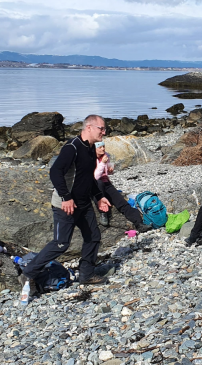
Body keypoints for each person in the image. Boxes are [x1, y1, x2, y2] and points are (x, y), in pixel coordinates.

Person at [22, 115, 112, 286]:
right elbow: (55, 172)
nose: (104, 132)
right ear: (89, 128)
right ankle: (28, 272)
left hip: (84, 204)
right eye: (101, 128)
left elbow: (88, 178)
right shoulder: (72, 148)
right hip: (66, 205)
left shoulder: (91, 149)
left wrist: (99, 197)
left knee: (93, 237)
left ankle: (86, 275)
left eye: (104, 128)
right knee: (61, 243)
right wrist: (66, 197)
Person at [93, 141, 151, 232]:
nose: (103, 149)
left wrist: (110, 170)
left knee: (122, 203)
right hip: (94, 185)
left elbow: (106, 173)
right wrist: (103, 163)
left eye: (103, 146)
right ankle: (103, 213)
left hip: (106, 183)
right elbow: (95, 177)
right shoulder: (90, 159)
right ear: (94, 148)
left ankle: (139, 224)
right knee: (99, 184)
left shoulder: (105, 156)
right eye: (100, 147)